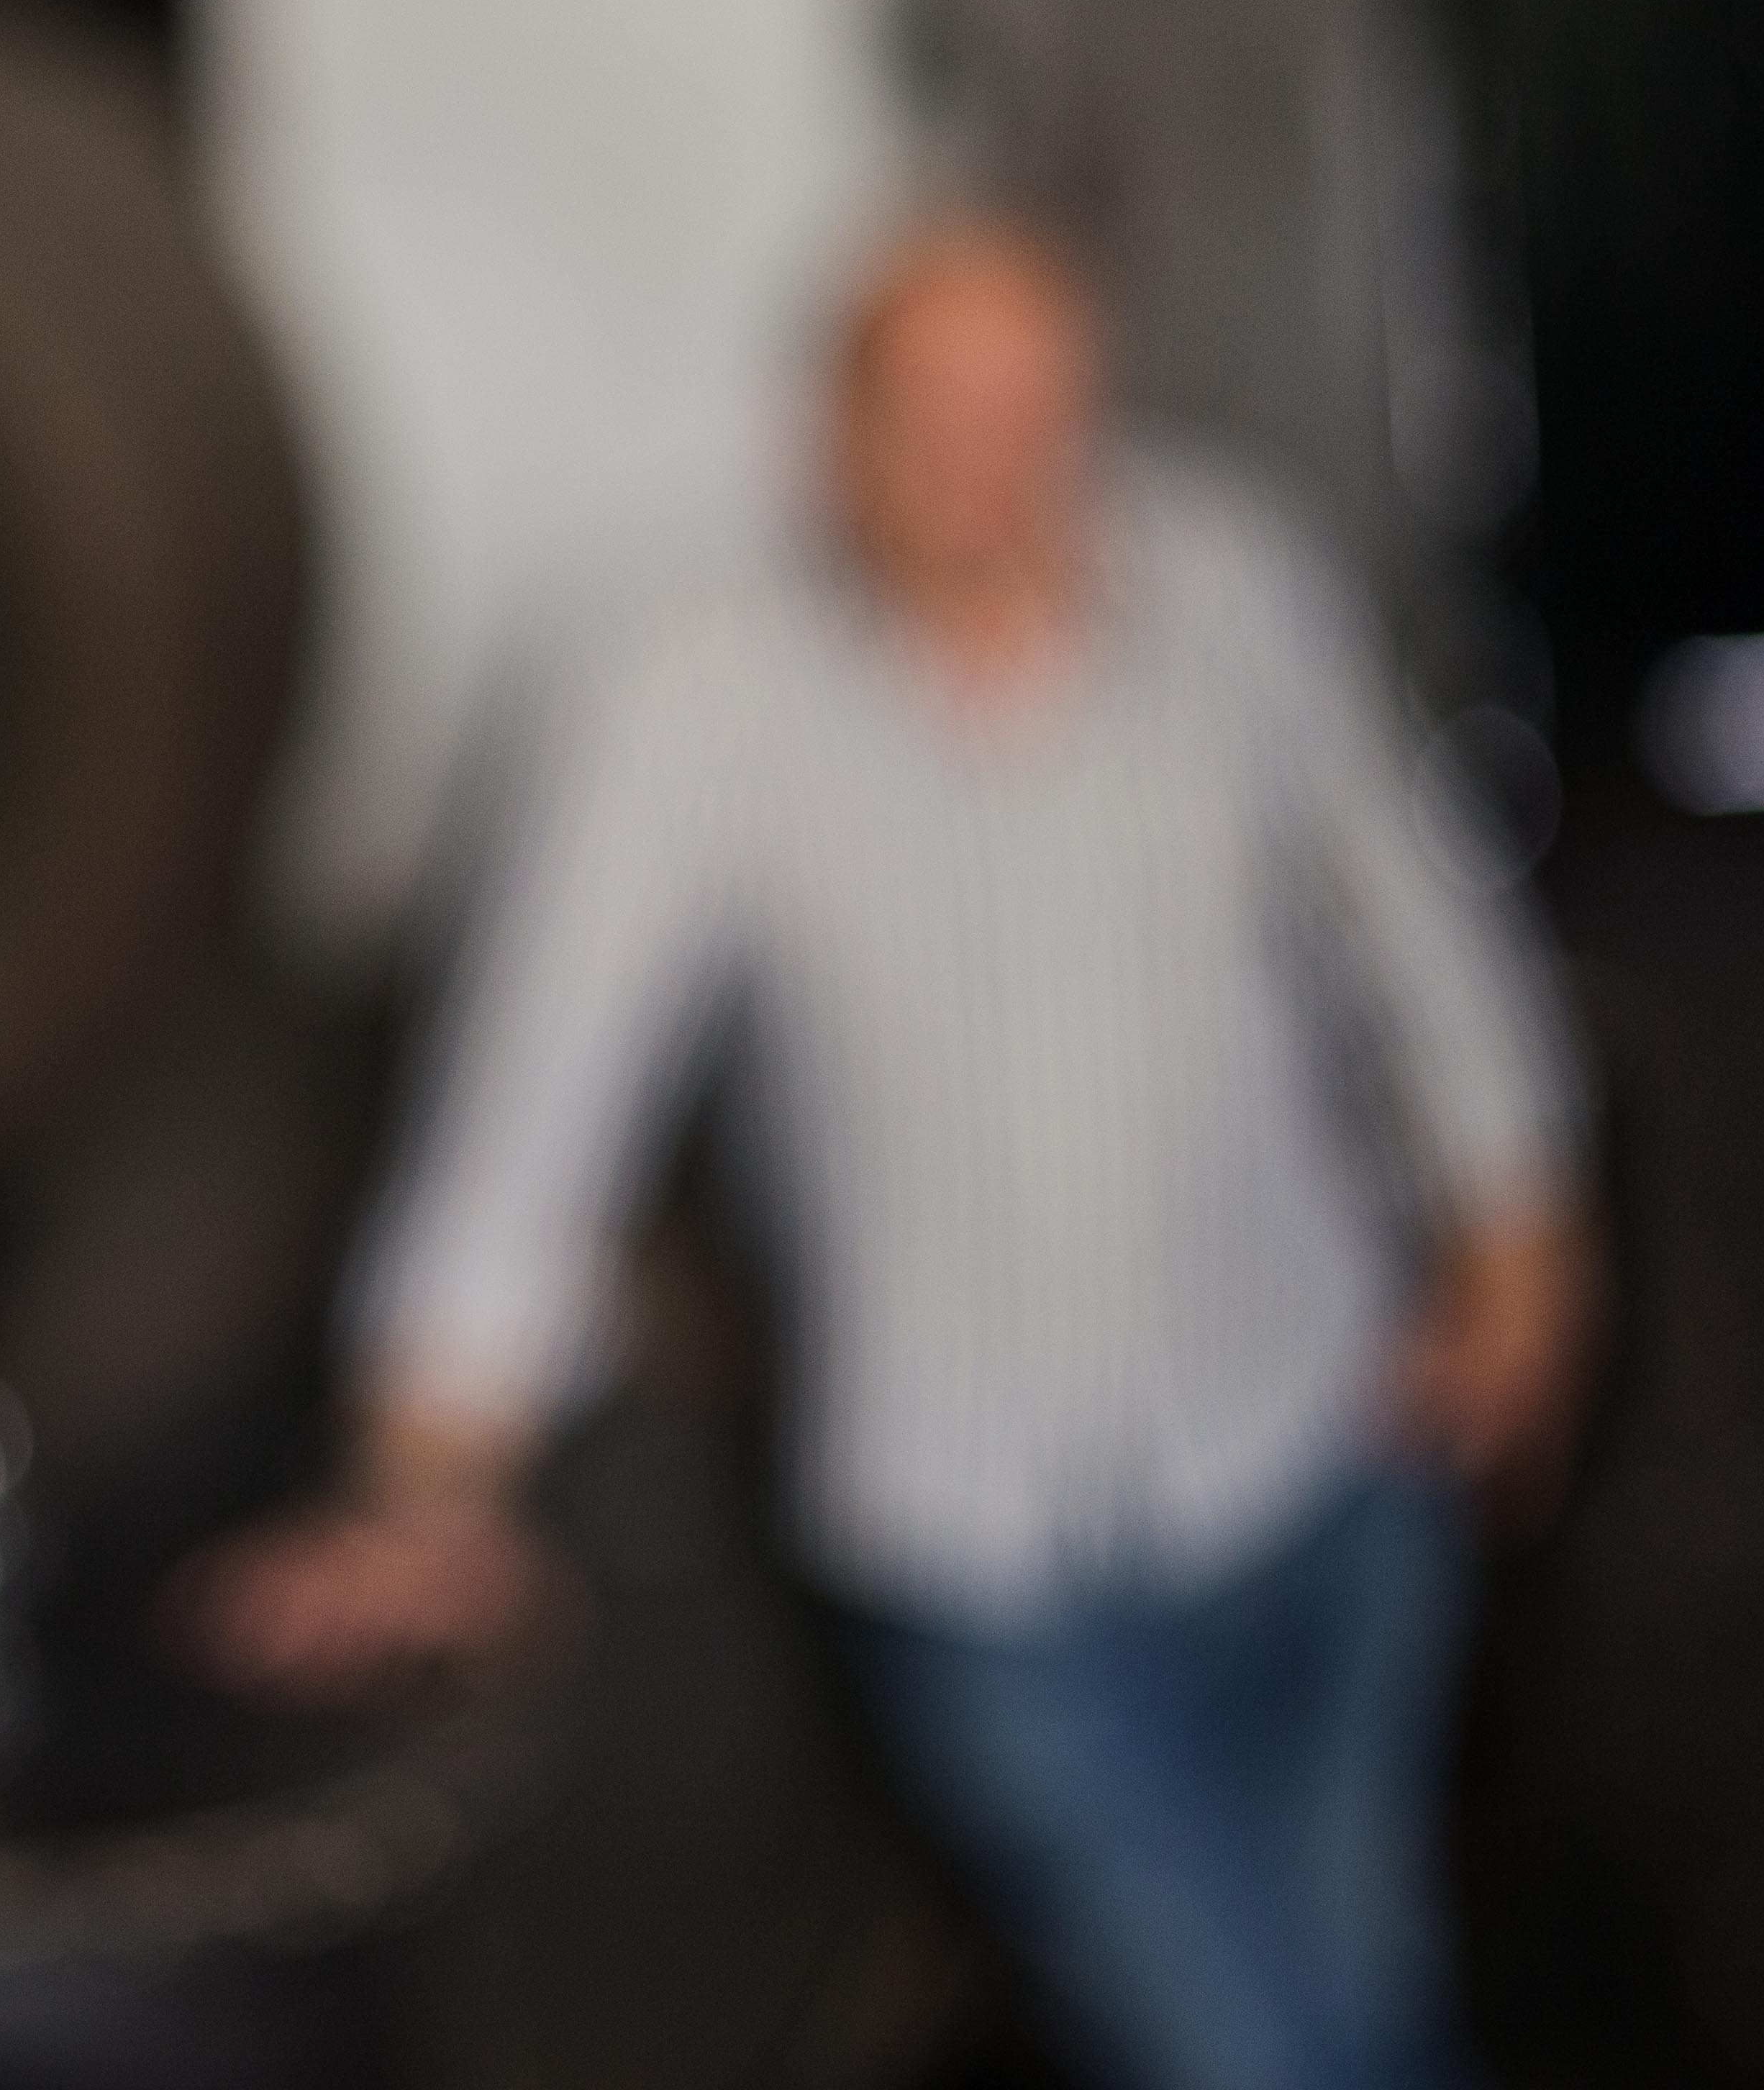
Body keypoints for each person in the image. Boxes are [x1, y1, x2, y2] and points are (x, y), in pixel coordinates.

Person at [191, 214, 1595, 2090]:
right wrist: (430, 1480)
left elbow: (1414, 916)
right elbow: (535, 1104)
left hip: (1327, 1449)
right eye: (936, 414)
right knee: (1259, 2050)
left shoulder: (1237, 586)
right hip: (982, 1554)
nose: (993, 471)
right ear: (827, 432)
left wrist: (1519, 1236)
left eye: (1038, 414)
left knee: (1351, 1949)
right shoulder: (685, 695)